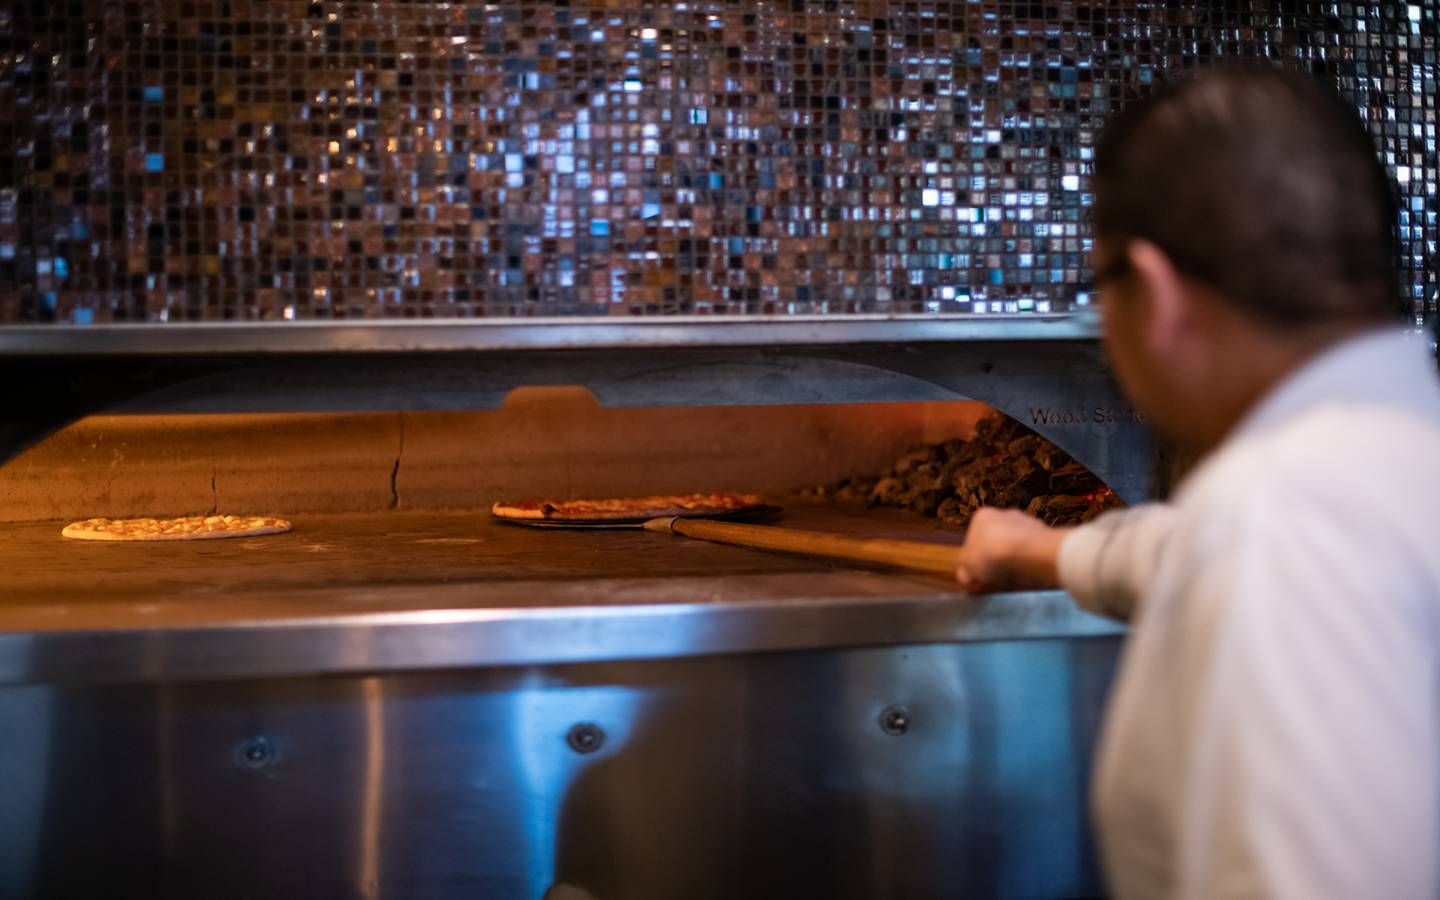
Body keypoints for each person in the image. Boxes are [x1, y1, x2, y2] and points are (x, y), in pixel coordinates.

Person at [955, 69, 1440, 899]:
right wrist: (1039, 550)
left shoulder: (1279, 520)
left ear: (1156, 289)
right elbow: (1197, 551)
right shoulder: (1389, 456)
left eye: (1098, 289)